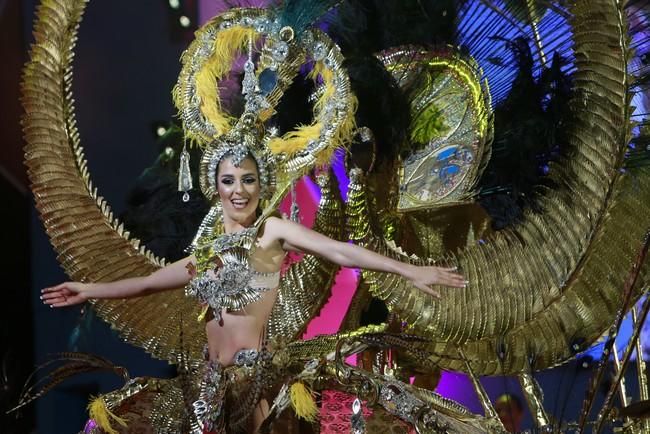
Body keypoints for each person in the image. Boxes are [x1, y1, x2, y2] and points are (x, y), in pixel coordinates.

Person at [40, 149, 466, 432]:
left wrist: (409, 271)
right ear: (216, 187)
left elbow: (339, 251)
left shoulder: (270, 233)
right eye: (229, 181)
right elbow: (148, 282)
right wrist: (87, 289)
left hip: (256, 384)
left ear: (261, 186)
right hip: (207, 388)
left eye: (248, 180)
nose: (239, 190)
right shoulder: (204, 254)